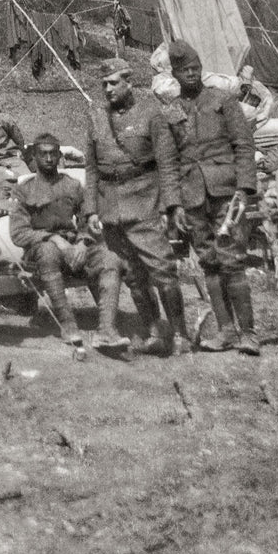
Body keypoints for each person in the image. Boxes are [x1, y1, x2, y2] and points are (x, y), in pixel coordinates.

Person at [84, 58, 189, 355]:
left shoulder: (151, 114)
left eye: (114, 83)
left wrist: (172, 206)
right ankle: (155, 329)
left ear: (129, 83)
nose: (108, 89)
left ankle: (180, 334)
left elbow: (167, 165)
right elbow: (91, 168)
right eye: (104, 84)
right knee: (132, 275)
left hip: (144, 202)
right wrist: (91, 209)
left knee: (163, 271)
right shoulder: (95, 116)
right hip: (110, 208)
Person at [163, 41, 260, 355]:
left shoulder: (224, 101)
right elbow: (168, 162)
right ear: (174, 73)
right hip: (192, 197)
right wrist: (173, 204)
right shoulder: (170, 110)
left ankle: (248, 334)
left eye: (195, 68)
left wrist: (245, 188)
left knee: (232, 260)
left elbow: (244, 146)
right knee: (209, 263)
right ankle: (225, 331)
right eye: (184, 70)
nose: (191, 74)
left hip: (226, 193)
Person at [10, 133, 128, 350]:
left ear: (59, 156)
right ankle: (68, 324)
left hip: (74, 247)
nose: (48, 159)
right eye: (42, 154)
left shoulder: (72, 185)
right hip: (39, 255)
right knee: (48, 252)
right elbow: (18, 232)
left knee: (110, 259)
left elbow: (87, 221)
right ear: (34, 157)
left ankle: (106, 330)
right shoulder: (24, 189)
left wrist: (83, 243)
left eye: (52, 154)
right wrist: (53, 238)